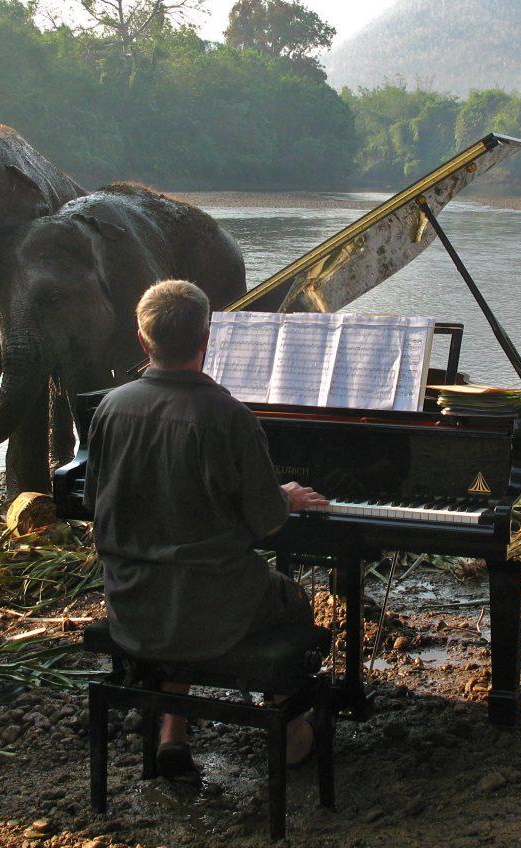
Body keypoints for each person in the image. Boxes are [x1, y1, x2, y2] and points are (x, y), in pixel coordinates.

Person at [84, 279, 329, 776]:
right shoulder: (227, 415)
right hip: (210, 610)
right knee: (294, 602)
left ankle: (173, 727)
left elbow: (95, 502)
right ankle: (293, 731)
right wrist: (283, 496)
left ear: (142, 340)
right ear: (207, 339)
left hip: (132, 600)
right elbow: (265, 521)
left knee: (186, 581)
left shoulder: (110, 408)